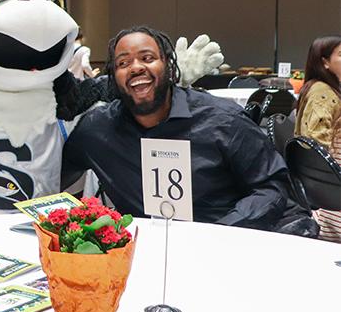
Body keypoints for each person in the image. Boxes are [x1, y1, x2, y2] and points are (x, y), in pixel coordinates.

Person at [62, 25, 290, 231]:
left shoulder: (223, 120)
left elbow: (272, 186)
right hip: (145, 255)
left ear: (169, 66)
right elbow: (59, 172)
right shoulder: (98, 129)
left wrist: (218, 232)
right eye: (123, 63)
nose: (136, 67)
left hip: (224, 246)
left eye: (147, 58)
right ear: (113, 77)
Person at [294, 36, 341, 242]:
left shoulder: (319, 87)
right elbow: (317, 148)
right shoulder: (323, 93)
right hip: (331, 198)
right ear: (324, 62)